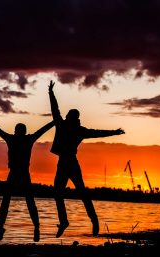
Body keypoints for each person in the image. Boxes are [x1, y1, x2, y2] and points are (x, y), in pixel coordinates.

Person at [48, 80, 125, 238]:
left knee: (79, 193)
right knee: (60, 193)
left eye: (69, 115)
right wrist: (51, 93)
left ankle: (91, 220)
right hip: (65, 163)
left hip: (68, 162)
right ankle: (65, 222)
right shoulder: (71, 127)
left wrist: (114, 132)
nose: (67, 116)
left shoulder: (72, 128)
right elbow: (55, 109)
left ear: (72, 117)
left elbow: (97, 132)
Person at [0, 110, 54, 242]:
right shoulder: (24, 139)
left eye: (17, 130)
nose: (16, 132)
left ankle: (32, 228)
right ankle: (5, 227)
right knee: (17, 201)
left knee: (17, 201)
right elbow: (42, 130)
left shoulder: (15, 139)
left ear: (18, 131)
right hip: (19, 173)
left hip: (19, 173)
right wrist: (54, 121)